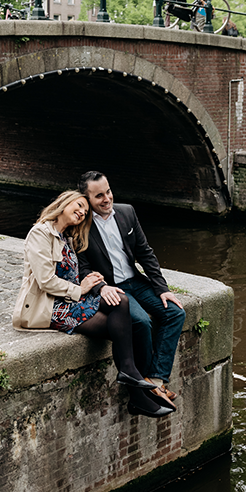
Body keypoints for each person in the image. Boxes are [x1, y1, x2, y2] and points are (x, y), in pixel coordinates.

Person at [13, 190, 174, 419]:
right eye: (78, 206)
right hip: (51, 307)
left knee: (120, 300)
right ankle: (137, 394)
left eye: (85, 211)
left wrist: (93, 281)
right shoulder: (41, 232)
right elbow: (46, 281)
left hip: (71, 299)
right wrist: (82, 288)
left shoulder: (66, 236)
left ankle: (130, 374)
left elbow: (74, 273)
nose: (81, 212)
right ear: (64, 204)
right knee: (121, 325)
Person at [77, 172, 185, 404]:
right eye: (98, 196)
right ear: (86, 199)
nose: (106, 199)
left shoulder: (127, 212)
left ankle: (155, 381)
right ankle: (143, 387)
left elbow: (145, 252)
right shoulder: (80, 225)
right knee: (141, 322)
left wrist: (161, 288)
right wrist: (101, 288)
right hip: (113, 288)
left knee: (175, 312)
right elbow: (83, 268)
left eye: (108, 191)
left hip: (135, 281)